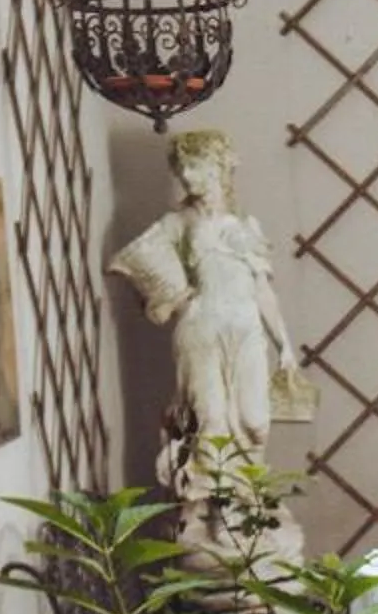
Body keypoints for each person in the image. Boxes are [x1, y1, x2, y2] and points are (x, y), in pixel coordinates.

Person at [110, 128, 303, 542]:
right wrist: (176, 299)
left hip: (246, 328)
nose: (187, 176)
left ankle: (249, 497)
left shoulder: (246, 226)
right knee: (211, 419)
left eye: (195, 166)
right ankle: (219, 510)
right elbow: (144, 273)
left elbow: (263, 292)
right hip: (202, 329)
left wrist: (283, 343)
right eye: (181, 169)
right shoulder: (176, 223)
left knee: (254, 421)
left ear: (219, 168)